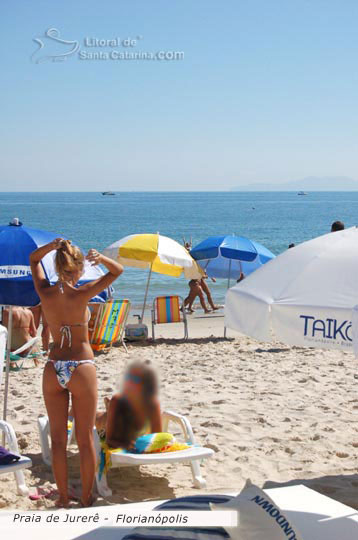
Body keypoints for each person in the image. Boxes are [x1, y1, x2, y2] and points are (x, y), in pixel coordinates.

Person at [30, 238, 123, 507]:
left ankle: (61, 497)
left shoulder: (44, 291)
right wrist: (102, 259)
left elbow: (34, 260)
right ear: (79, 268)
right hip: (80, 366)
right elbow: (117, 271)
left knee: (58, 441)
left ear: (58, 267)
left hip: (53, 367)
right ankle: (85, 498)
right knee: (84, 440)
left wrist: (52, 246)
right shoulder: (82, 292)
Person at [95, 360, 161, 450]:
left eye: (135, 380)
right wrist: (124, 445)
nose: (130, 382)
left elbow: (158, 438)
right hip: (105, 431)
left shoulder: (152, 404)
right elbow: (109, 440)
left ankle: (108, 410)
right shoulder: (117, 400)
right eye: (129, 378)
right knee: (94, 417)